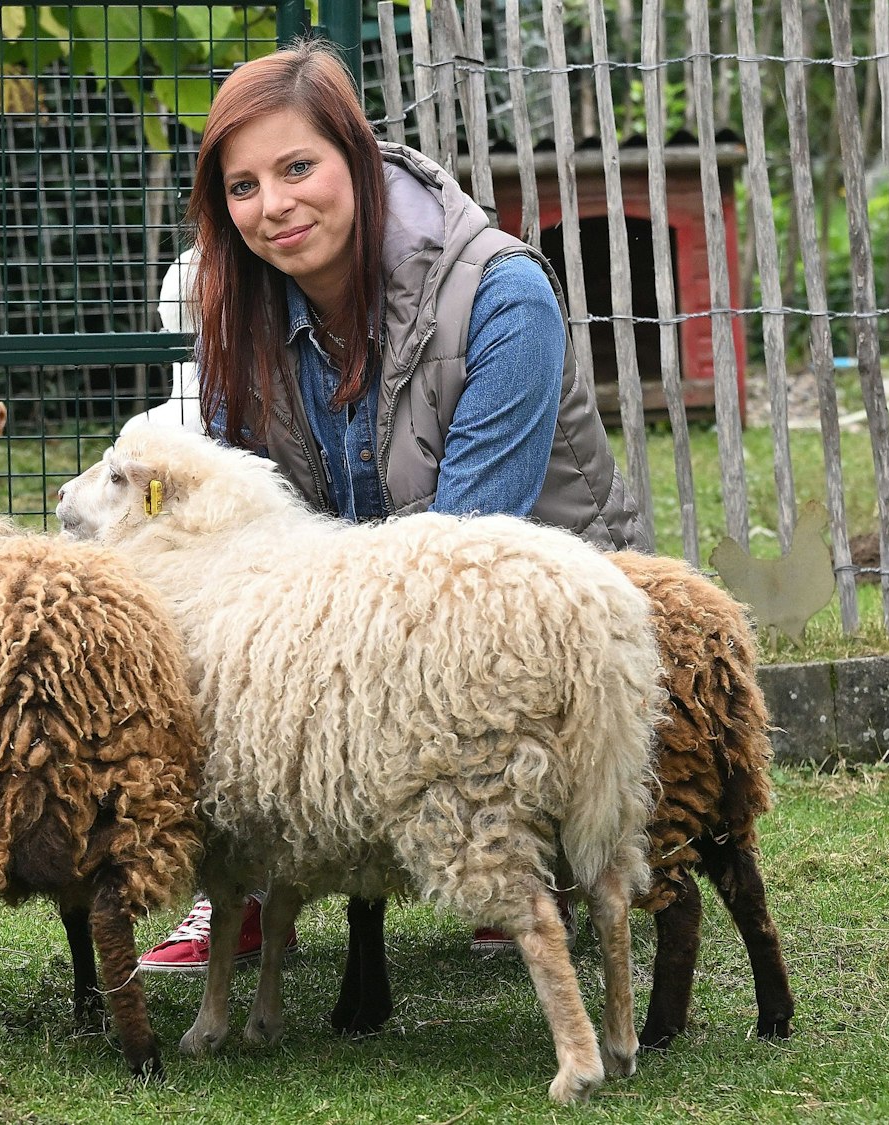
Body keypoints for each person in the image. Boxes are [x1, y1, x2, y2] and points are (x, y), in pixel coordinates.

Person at [135, 41, 647, 973]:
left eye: (298, 168)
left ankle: (522, 841)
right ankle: (241, 882)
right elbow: (233, 549)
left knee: (444, 624)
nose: (273, 205)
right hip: (342, 616)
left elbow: (460, 556)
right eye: (243, 187)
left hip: (513, 614)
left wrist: (308, 641)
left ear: (360, 160)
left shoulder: (501, 296)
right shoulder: (234, 314)